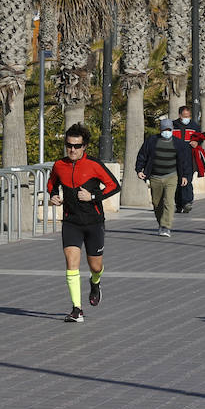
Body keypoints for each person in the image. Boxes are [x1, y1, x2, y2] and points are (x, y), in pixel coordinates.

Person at [46, 123, 121, 323]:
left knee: (95, 266)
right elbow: (51, 183)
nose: (72, 150)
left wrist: (93, 196)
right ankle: (76, 309)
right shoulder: (59, 165)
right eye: (69, 145)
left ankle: (95, 282)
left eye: (77, 146)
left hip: (94, 222)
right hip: (71, 222)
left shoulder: (94, 165)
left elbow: (114, 185)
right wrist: (53, 195)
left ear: (84, 146)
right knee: (71, 264)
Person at [134, 114, 194, 237]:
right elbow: (142, 155)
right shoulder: (152, 141)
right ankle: (161, 223)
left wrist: (185, 176)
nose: (167, 132)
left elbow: (185, 161)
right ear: (160, 130)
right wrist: (139, 169)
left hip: (171, 176)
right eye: (164, 130)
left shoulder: (179, 144)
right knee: (157, 203)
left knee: (169, 201)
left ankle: (166, 226)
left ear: (172, 130)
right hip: (155, 177)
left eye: (169, 130)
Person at [170, 104, 202, 213]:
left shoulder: (194, 126)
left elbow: (200, 139)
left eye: (188, 116)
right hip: (175, 158)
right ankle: (179, 204)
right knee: (177, 182)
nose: (186, 119)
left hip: (189, 157)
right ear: (180, 115)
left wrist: (197, 143)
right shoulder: (172, 125)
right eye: (184, 116)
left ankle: (188, 202)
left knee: (187, 180)